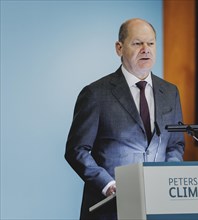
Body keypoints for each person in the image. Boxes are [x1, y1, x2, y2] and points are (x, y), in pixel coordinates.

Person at [64, 18, 185, 220]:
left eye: (151, 43)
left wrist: (167, 177)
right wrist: (108, 185)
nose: (146, 49)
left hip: (157, 207)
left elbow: (176, 145)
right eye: (137, 43)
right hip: (110, 209)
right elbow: (76, 150)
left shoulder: (170, 92)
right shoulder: (95, 93)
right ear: (119, 48)